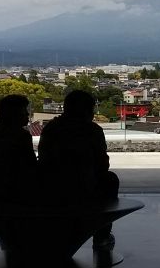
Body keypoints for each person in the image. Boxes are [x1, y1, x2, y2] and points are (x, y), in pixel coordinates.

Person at [38, 90, 119, 250]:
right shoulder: (92, 130)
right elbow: (102, 165)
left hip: (51, 190)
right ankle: (101, 237)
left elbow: (43, 159)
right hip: (85, 190)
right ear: (88, 110)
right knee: (110, 180)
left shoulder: (52, 128)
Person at [0, 94, 39, 203]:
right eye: (24, 110)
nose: (27, 114)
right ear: (14, 114)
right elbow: (29, 167)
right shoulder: (21, 136)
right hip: (15, 195)